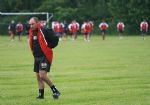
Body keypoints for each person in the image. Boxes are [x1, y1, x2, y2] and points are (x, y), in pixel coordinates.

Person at [29, 17, 60, 99]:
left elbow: (55, 39)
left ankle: (55, 90)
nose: (31, 26)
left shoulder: (44, 30)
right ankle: (41, 95)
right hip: (36, 57)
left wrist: (49, 47)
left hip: (44, 56)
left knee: (42, 75)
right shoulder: (32, 32)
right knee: (38, 77)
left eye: (32, 24)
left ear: (37, 23)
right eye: (30, 24)